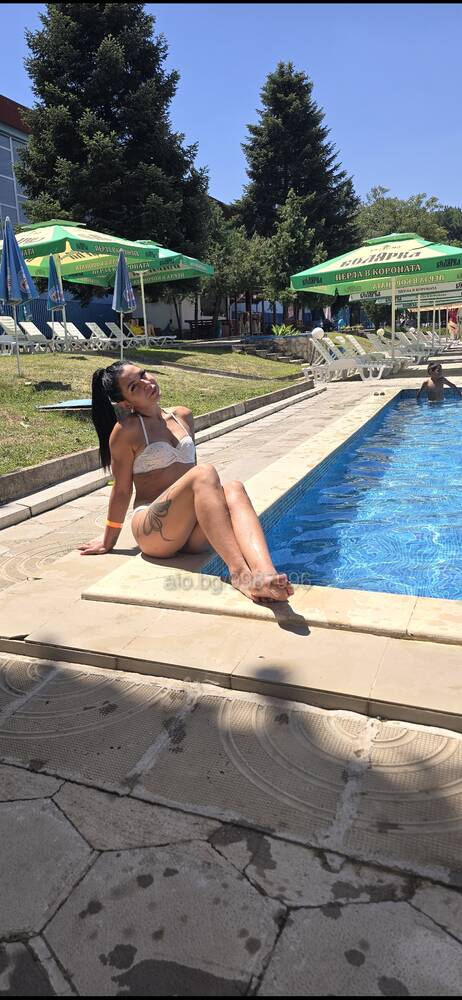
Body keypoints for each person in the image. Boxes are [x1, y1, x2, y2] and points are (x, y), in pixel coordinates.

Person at [79, 361, 294, 604]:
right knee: (204, 473)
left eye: (143, 374)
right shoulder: (126, 431)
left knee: (234, 488)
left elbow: (196, 483)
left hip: (189, 530)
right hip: (153, 529)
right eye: (134, 386)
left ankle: (266, 575)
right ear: (126, 403)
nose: (147, 383)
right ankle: (240, 574)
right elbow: (122, 489)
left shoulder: (182, 416)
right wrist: (108, 539)